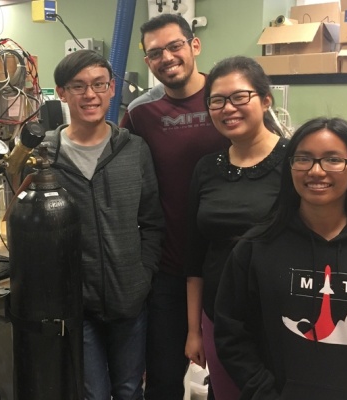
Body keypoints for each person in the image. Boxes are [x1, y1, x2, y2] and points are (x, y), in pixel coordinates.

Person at [214, 116, 347, 400]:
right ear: (290, 168)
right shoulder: (256, 246)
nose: (316, 171)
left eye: (333, 160)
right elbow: (232, 333)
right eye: (304, 159)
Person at [120, 14, 230, 399]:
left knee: (232, 380)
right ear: (147, 61)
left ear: (194, 45)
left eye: (174, 46)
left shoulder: (228, 102)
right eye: (155, 52)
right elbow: (114, 171)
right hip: (169, 271)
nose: (166, 57)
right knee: (164, 380)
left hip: (227, 269)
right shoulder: (140, 115)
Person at [47, 49, 165, 399]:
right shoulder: (45, 157)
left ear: (112, 88)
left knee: (129, 390)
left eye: (99, 84)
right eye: (79, 86)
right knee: (93, 394)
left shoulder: (134, 150)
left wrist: (142, 277)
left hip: (129, 298)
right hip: (75, 304)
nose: (90, 95)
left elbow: (152, 222)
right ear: (61, 92)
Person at [185, 56, 288, 400]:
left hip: (282, 319)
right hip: (219, 318)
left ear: (265, 100)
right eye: (217, 100)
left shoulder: (295, 163)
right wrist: (194, 330)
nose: (228, 108)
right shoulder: (206, 169)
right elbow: (195, 255)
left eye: (240, 97)